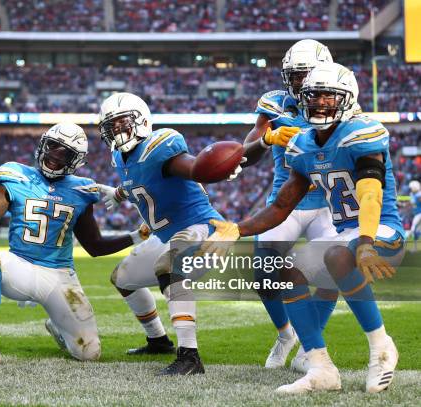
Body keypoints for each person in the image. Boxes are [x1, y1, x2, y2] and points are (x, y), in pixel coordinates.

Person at [209, 63, 403, 394]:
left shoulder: (362, 131)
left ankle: (382, 348)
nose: (320, 104)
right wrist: (237, 229)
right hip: (345, 235)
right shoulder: (303, 145)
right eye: (314, 97)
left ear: (347, 98)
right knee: (286, 271)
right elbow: (282, 205)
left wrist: (367, 241)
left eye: (329, 97)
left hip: (381, 230)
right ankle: (320, 367)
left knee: (339, 255)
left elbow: (370, 193)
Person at [0, 122, 149, 367]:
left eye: (65, 153)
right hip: (19, 267)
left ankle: (58, 326)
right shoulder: (17, 174)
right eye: (52, 147)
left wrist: (137, 236)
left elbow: (94, 246)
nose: (54, 155)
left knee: (89, 353)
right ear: (43, 144)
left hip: (60, 276)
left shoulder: (82, 189)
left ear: (76, 160)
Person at [97, 92, 240, 375]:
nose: (118, 131)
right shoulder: (120, 157)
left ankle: (190, 356)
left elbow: (190, 167)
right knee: (122, 279)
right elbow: (141, 182)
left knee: (169, 265)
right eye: (112, 127)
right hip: (165, 235)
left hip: (202, 227)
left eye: (123, 123)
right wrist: (118, 193)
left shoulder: (160, 147)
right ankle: (158, 340)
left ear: (142, 121)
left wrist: (210, 169)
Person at [241, 39, 337, 370]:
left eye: (307, 75)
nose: (301, 83)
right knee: (265, 277)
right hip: (285, 203)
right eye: (296, 76)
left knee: (332, 270)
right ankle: (286, 335)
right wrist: (266, 139)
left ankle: (311, 346)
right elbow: (245, 155)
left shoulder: (338, 103)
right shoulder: (275, 104)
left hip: (326, 202)